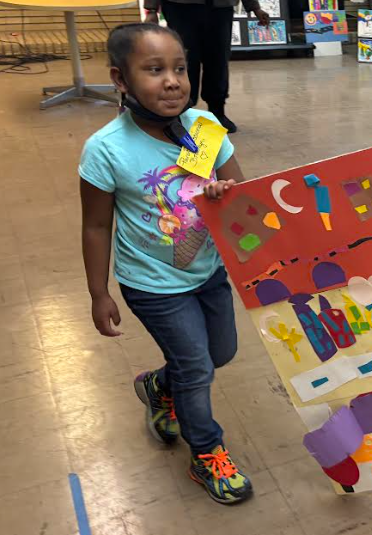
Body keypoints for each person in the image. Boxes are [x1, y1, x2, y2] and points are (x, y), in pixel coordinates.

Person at [80, 23, 252, 504]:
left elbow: (242, 197)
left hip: (208, 270)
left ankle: (159, 385)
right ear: (121, 79)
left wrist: (224, 195)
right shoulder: (106, 149)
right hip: (152, 283)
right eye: (154, 70)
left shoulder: (206, 128)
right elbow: (96, 226)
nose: (173, 81)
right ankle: (207, 452)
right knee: (196, 369)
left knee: (219, 354)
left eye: (179, 68)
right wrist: (98, 293)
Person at [143, 0, 270, 133]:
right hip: (179, 7)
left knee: (218, 61)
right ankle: (181, 114)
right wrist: (151, 9)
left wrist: (255, 8)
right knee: (184, 62)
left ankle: (217, 113)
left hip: (220, 8)